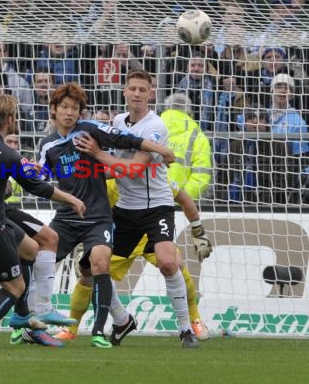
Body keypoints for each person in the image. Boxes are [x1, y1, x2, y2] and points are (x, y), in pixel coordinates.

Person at [36, 81, 175, 348]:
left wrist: (161, 149)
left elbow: (128, 140)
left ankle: (98, 331)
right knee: (37, 258)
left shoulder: (89, 131)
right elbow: (40, 178)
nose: (69, 112)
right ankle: (28, 321)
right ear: (53, 110)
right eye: (64, 107)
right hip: (65, 217)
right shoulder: (47, 145)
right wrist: (26, 172)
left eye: (75, 108)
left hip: (98, 216)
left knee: (100, 263)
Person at [0, 93, 86, 349]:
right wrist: (71, 199)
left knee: (32, 249)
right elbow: (39, 188)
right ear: (9, 119)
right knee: (15, 287)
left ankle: (22, 315)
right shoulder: (8, 155)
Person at [74, 69, 200, 348]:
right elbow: (112, 169)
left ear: (151, 94)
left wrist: (96, 154)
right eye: (133, 89)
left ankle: (186, 330)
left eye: (143, 90)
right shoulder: (118, 121)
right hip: (124, 210)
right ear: (125, 92)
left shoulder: (155, 126)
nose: (137, 94)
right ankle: (122, 319)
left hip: (157, 207)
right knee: (89, 267)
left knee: (169, 262)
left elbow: (133, 169)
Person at [55, 178, 213, 343]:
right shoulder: (108, 184)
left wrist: (198, 231)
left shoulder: (153, 180)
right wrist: (88, 241)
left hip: (150, 235)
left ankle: (194, 319)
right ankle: (73, 328)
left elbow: (183, 198)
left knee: (175, 264)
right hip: (122, 231)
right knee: (90, 274)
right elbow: (90, 210)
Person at [161, 93, 212, 200]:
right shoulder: (198, 136)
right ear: (189, 110)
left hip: (148, 202)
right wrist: (181, 199)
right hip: (180, 205)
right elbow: (201, 176)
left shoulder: (150, 127)